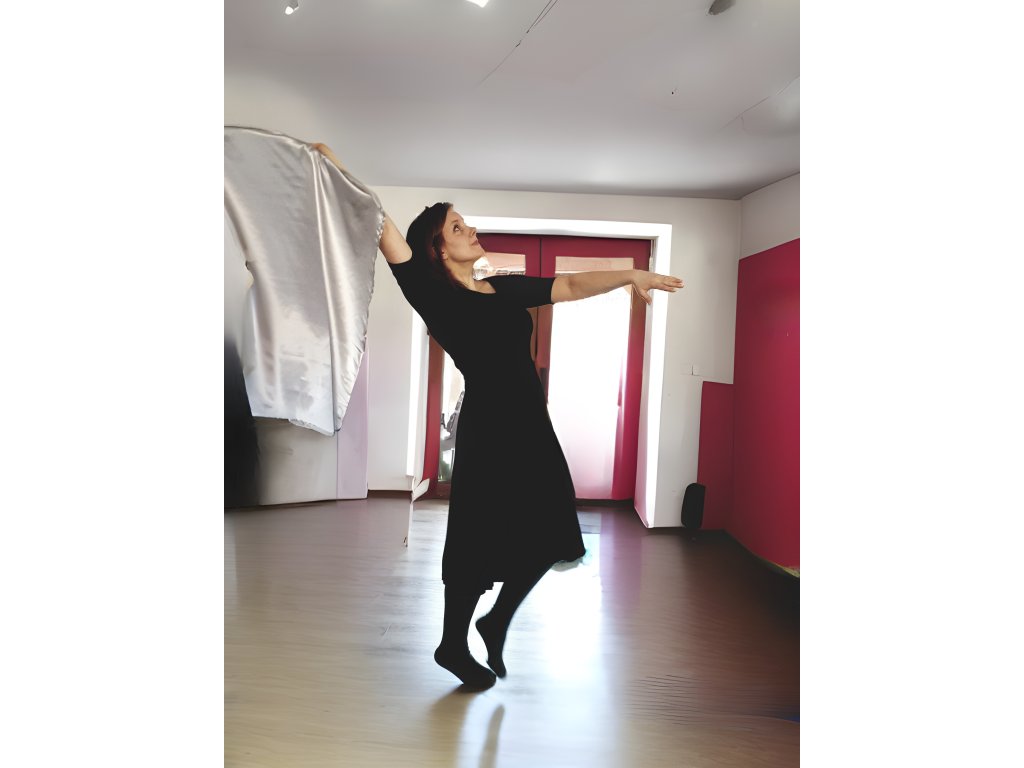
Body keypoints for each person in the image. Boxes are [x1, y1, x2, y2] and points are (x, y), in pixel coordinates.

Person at [313, 143, 684, 690]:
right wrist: (336, 167)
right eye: (456, 227)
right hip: (488, 429)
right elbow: (378, 222)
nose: (470, 230)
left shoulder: (504, 288)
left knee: (557, 532)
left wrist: (632, 274)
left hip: (532, 425)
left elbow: (570, 286)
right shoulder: (429, 291)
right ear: (438, 249)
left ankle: (496, 618)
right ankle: (452, 643)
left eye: (465, 223)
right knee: (477, 536)